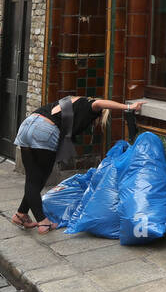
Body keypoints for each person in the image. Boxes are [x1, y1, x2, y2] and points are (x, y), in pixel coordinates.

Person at [12, 94, 144, 234]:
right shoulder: (88, 105)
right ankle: (43, 223)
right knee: (37, 180)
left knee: (33, 178)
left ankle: (21, 214)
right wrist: (129, 107)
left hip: (28, 124)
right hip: (44, 130)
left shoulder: (70, 100)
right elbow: (100, 103)